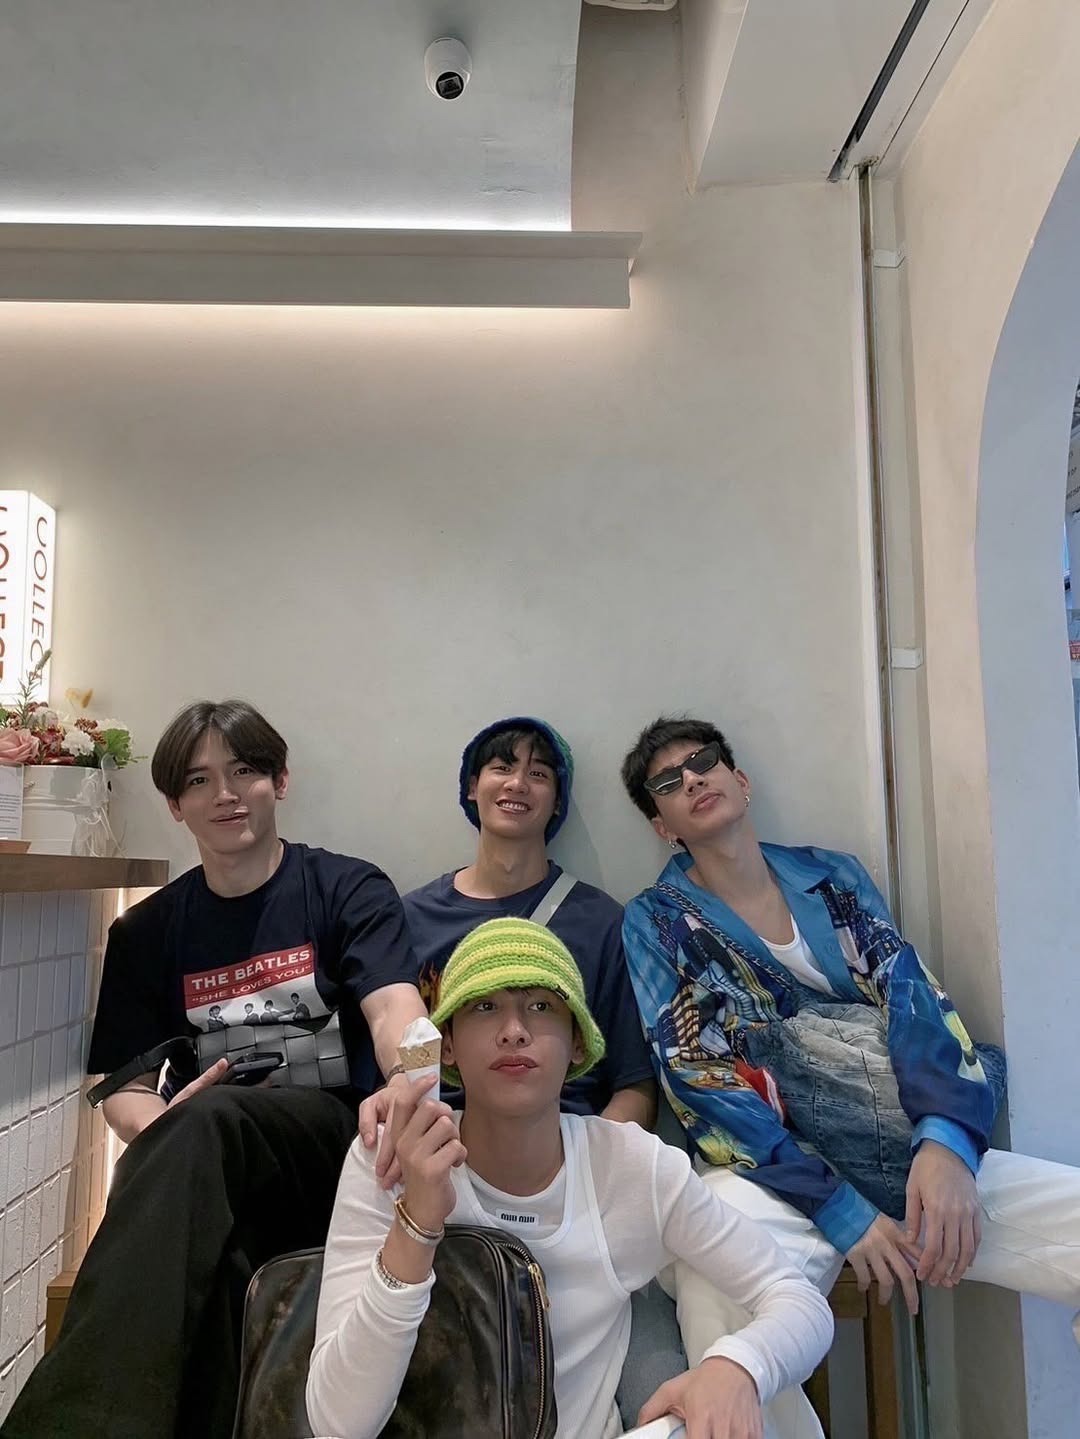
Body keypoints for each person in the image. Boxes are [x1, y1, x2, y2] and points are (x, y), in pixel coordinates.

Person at [619, 715, 1080, 1438]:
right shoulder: (656, 921)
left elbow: (914, 998)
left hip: (900, 1139)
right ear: (662, 825)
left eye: (704, 761)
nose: (693, 780)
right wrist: (840, 1209)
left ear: (740, 779)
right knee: (719, 1279)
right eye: (668, 783)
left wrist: (946, 1142)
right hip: (776, 1173)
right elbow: (697, 1078)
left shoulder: (830, 876)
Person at [2, 699, 427, 1439]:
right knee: (213, 1254)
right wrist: (168, 1131)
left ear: (279, 781)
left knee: (204, 1119)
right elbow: (125, 1091)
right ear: (175, 805)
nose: (225, 794)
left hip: (330, 1152)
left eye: (244, 771)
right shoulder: (146, 930)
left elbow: (394, 1008)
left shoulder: (345, 888)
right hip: (209, 1162)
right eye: (199, 781)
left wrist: (402, 1080)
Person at [308, 918, 834, 1439]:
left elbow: (796, 1299)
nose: (514, 1030)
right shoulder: (389, 1158)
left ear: (578, 1043)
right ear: (447, 1046)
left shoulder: (629, 1167)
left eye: (541, 1007)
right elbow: (337, 1422)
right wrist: (418, 1223)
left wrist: (738, 1367)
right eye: (485, 1007)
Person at [398, 716, 656, 1124]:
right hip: (445, 1136)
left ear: (558, 802)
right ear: (471, 787)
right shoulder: (413, 918)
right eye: (502, 768)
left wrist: (590, 1156)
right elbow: (391, 1071)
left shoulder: (600, 920)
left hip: (570, 1135)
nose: (517, 784)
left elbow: (635, 1083)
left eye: (538, 774)